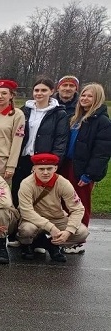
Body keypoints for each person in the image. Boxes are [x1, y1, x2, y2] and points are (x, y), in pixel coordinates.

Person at [9, 77, 68, 245]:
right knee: (19, 196)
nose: (39, 93)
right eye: (36, 90)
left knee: (40, 200)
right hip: (23, 159)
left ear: (51, 91)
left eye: (43, 90)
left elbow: (60, 141)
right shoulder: (25, 111)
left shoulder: (59, 114)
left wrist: (53, 165)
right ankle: (19, 235)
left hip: (43, 162)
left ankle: (38, 240)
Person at [59, 82, 111, 253]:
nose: (85, 98)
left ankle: (77, 240)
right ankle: (63, 237)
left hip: (82, 169)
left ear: (97, 99)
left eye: (90, 96)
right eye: (83, 95)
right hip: (66, 165)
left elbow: (102, 152)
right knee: (64, 202)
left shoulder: (102, 122)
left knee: (79, 203)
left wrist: (89, 174)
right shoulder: (74, 118)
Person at [17, 153, 89, 262]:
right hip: (33, 219)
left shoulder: (64, 183)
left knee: (82, 232)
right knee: (27, 230)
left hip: (56, 218)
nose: (45, 172)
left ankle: (52, 244)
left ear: (55, 168)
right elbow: (26, 212)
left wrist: (68, 231)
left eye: (49, 168)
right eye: (41, 169)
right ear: (34, 168)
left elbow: (78, 209)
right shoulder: (26, 184)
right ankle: (27, 245)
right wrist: (51, 228)